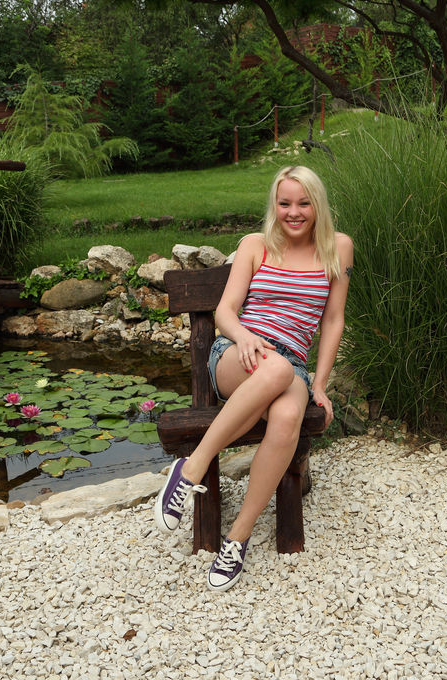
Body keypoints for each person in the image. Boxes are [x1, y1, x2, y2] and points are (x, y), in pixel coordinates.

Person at [153, 165, 354, 591]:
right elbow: (226, 311)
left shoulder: (338, 248)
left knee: (287, 415)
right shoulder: (255, 245)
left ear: (317, 205)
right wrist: (244, 336)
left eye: (303, 203)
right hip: (237, 355)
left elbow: (333, 319)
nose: (294, 212)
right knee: (274, 368)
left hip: (291, 365)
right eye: (285, 203)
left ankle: (237, 538)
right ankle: (190, 470)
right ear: (274, 205)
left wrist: (319, 384)